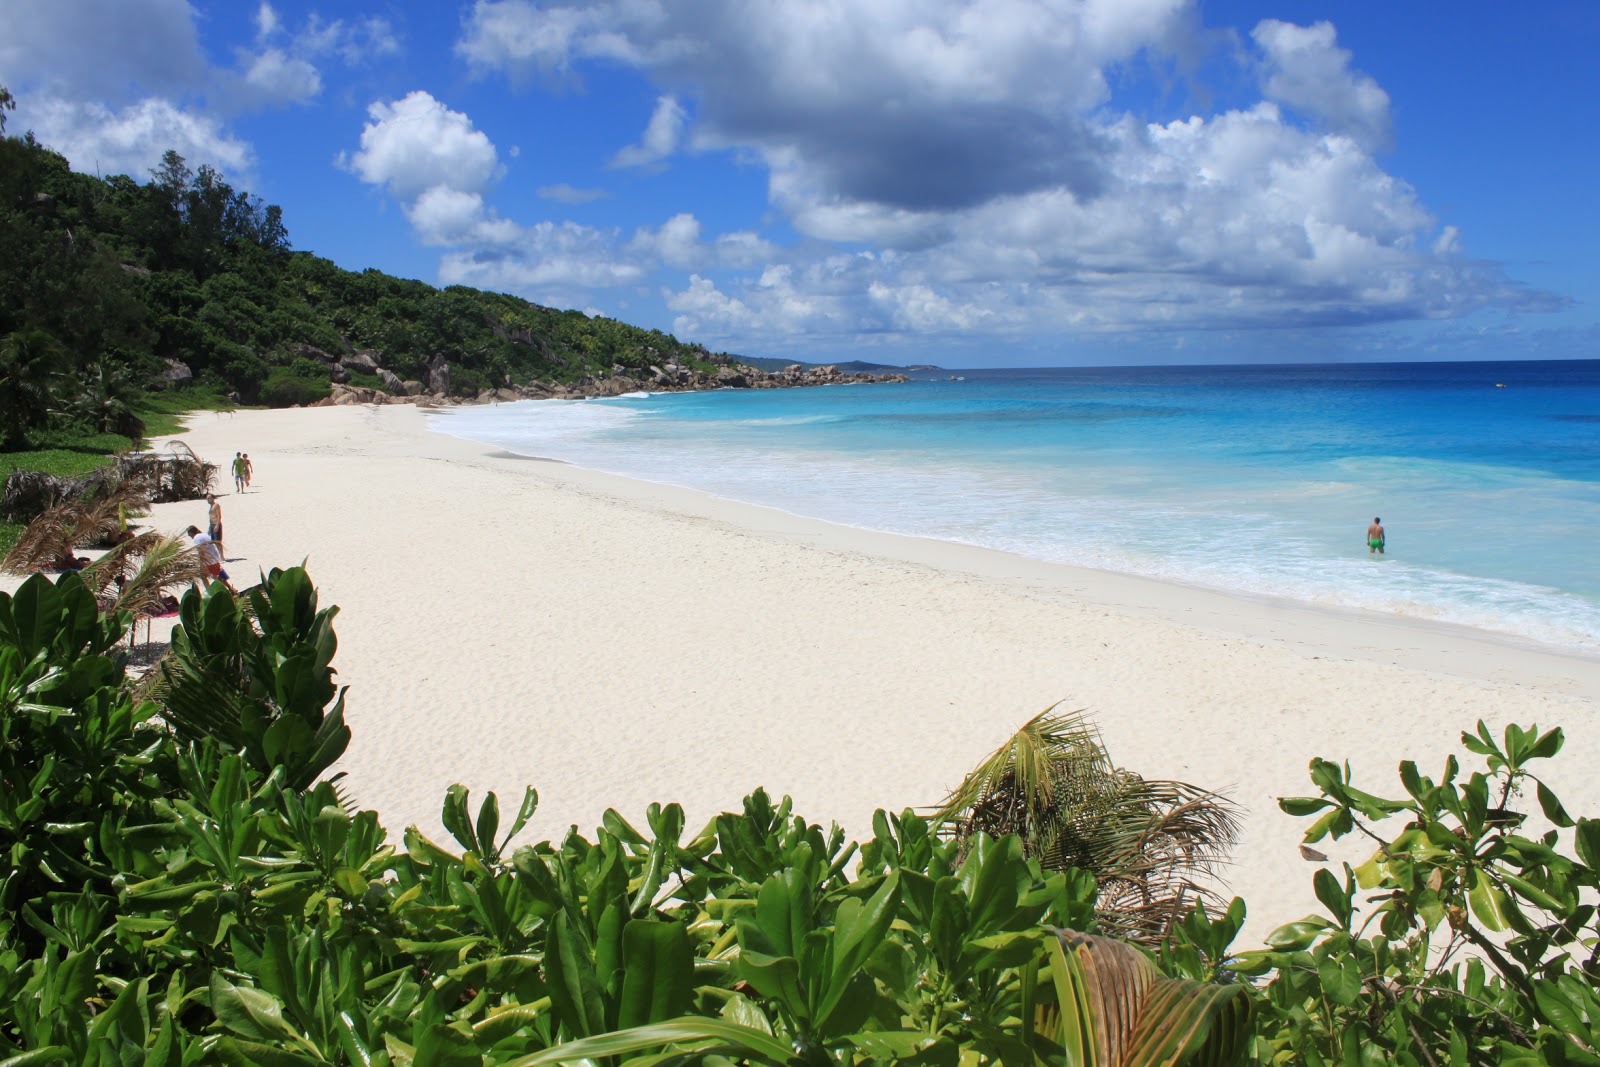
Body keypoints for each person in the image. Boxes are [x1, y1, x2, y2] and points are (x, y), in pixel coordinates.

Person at [185, 524, 235, 592]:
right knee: (216, 576)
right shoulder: (204, 535)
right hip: (215, 558)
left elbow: (201, 550)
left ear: (191, 533)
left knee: (206, 577)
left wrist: (201, 563)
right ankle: (230, 589)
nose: (189, 536)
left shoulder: (197, 538)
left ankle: (210, 592)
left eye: (189, 534)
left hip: (209, 560)